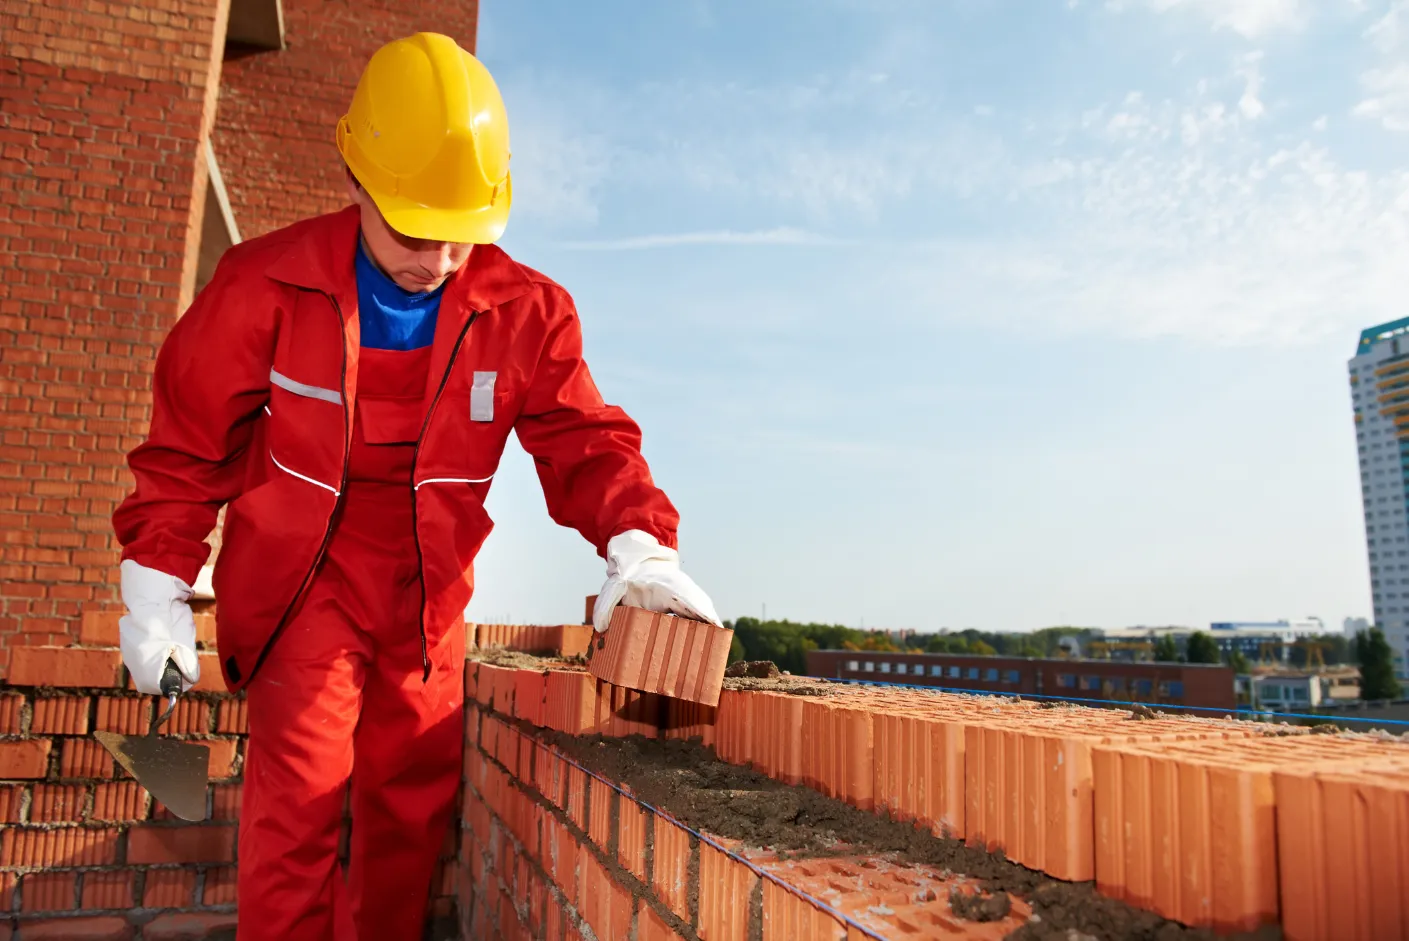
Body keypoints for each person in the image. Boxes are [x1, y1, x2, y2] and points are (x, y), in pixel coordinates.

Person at [110, 32, 719, 941]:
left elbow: (582, 438)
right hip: (305, 585)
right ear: (355, 179)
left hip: (427, 596)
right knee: (300, 806)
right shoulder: (262, 286)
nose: (436, 260)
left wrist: (640, 546)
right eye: (412, 230)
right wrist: (156, 582)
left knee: (406, 812)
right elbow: (188, 445)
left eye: (460, 236)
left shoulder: (525, 312)